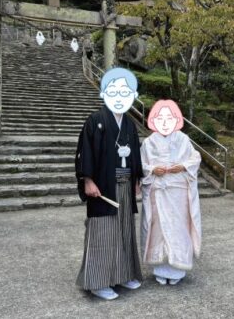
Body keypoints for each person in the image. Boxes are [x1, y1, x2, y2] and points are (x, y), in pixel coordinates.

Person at [75, 68, 143, 300]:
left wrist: (136, 179)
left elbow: (135, 155)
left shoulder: (130, 124)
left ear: (132, 95)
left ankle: (123, 274)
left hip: (125, 184)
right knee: (103, 231)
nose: (119, 95)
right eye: (113, 90)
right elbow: (85, 152)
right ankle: (98, 281)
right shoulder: (95, 121)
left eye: (125, 91)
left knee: (124, 229)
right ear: (104, 93)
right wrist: (88, 179)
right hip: (102, 184)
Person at [140, 99, 202, 285]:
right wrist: (151, 170)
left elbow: (195, 158)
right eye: (161, 117)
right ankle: (160, 269)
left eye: (169, 117)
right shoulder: (149, 142)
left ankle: (177, 270)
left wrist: (183, 166)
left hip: (178, 193)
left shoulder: (183, 139)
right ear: (154, 119)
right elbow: (140, 164)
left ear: (176, 118)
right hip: (157, 192)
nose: (165, 121)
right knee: (157, 230)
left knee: (178, 228)